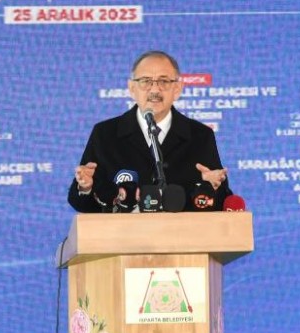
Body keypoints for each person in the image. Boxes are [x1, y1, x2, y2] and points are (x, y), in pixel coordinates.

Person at [68, 51, 231, 212]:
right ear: (132, 88)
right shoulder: (105, 134)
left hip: (181, 229)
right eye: (146, 81)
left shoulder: (200, 135)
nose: (154, 89)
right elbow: (81, 204)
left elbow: (222, 202)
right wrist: (85, 187)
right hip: (123, 230)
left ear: (177, 89)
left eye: (164, 81)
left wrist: (212, 187)